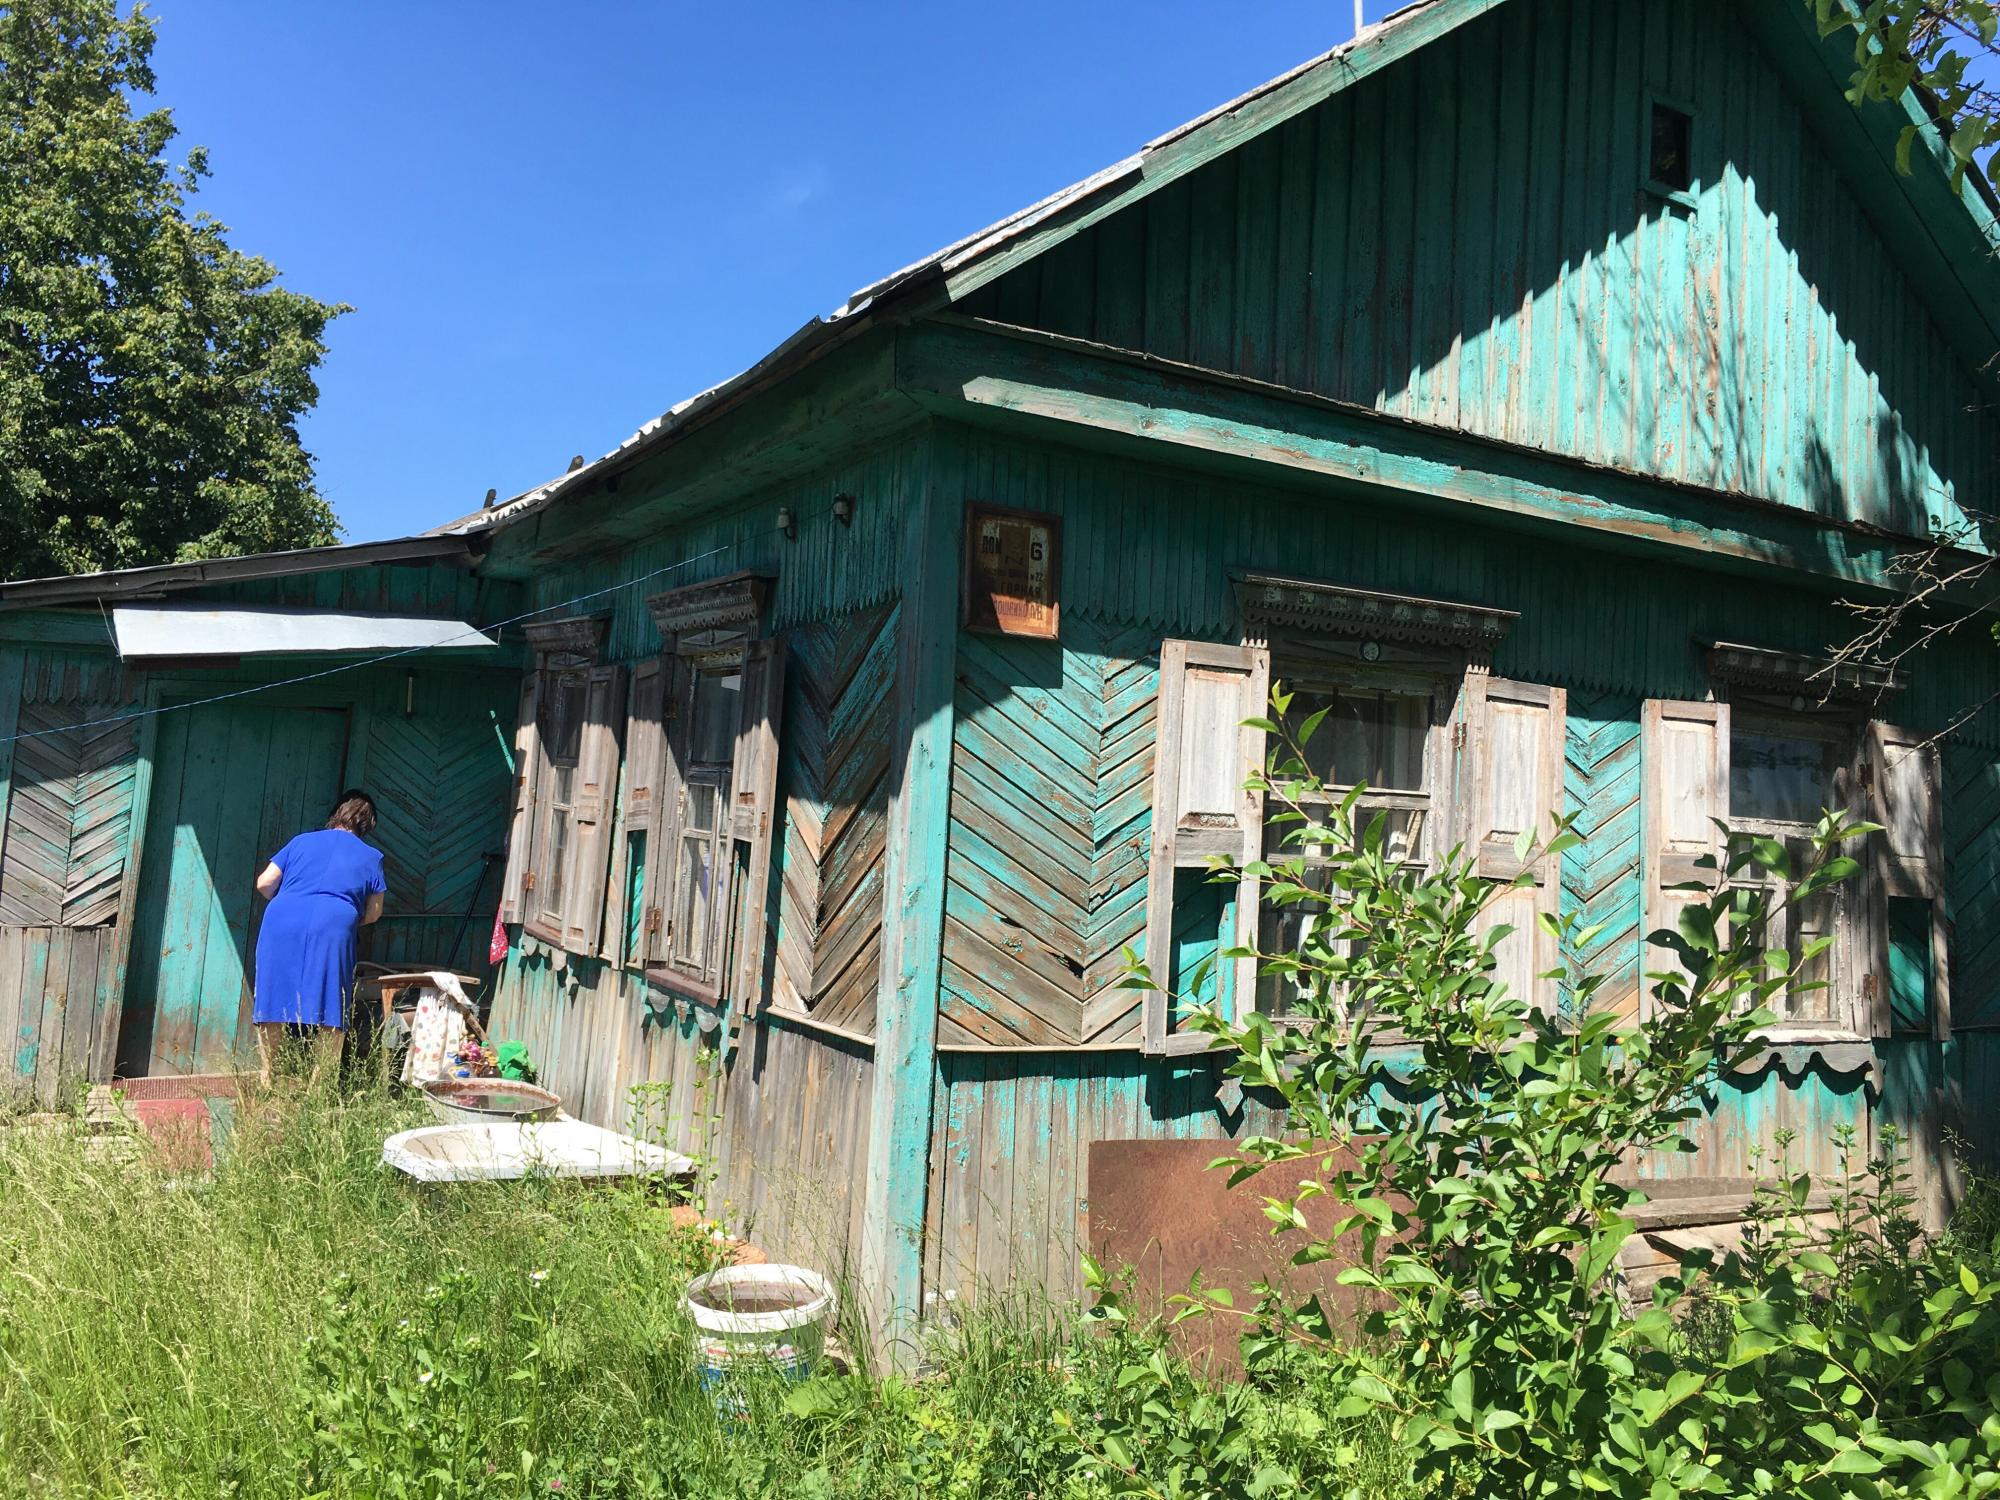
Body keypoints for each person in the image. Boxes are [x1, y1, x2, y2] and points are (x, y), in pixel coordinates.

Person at [251, 789, 387, 1085]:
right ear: (368, 824)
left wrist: (291, 902)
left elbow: (264, 883)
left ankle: (268, 1078)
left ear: (336, 815)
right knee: (331, 1002)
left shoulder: (300, 841)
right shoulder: (372, 857)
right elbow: (374, 912)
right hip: (334, 925)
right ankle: (320, 1087)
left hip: (281, 919)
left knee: (273, 998)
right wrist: (345, 915)